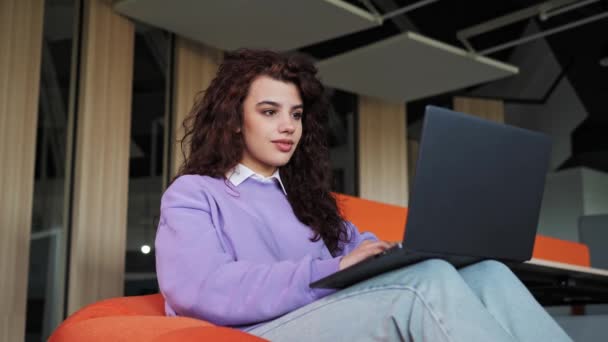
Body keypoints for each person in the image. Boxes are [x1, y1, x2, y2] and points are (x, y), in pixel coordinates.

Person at [155, 49, 572, 341]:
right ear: (232, 121)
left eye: (296, 114)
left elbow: (360, 248)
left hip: (321, 317)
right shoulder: (194, 194)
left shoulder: (304, 199)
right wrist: (330, 270)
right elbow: (202, 288)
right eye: (269, 112)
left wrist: (389, 254)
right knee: (424, 283)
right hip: (257, 333)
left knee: (489, 274)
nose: (288, 127)